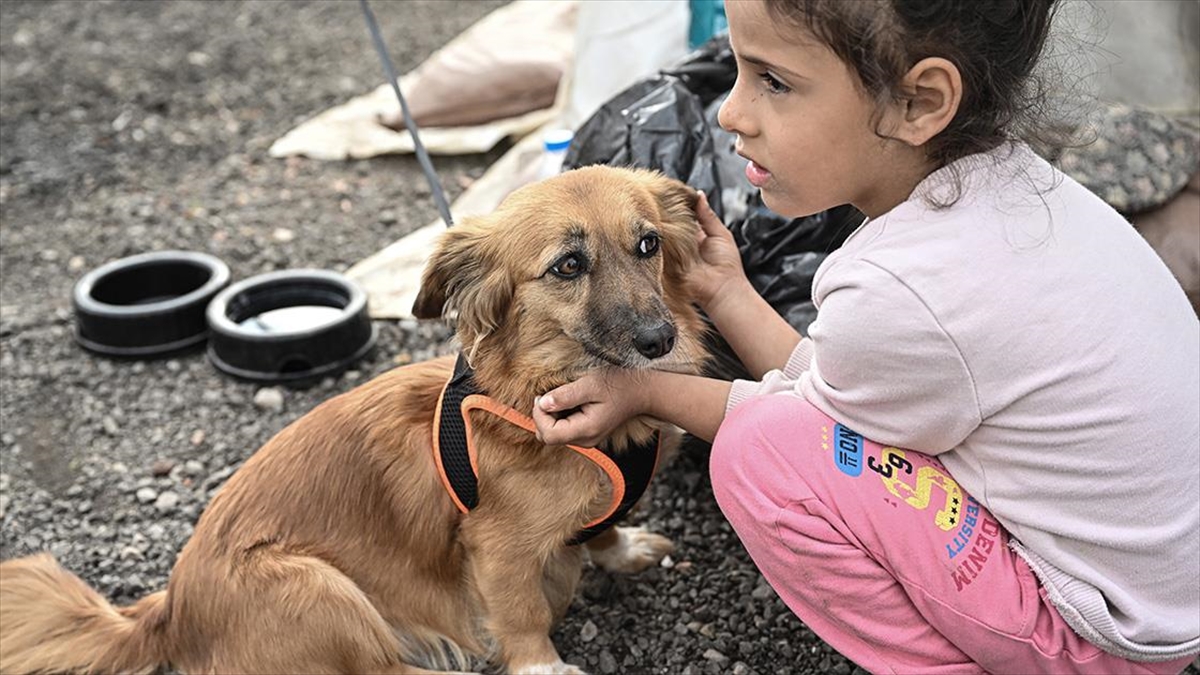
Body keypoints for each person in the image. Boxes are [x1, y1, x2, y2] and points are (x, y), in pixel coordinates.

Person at [530, 0, 1200, 673]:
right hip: (1163, 597)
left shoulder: (901, 285)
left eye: (774, 81)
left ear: (919, 102)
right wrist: (728, 292)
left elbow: (796, 432)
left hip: (1098, 638)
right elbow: (836, 399)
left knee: (757, 452)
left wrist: (647, 391)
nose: (730, 112)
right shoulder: (1019, 191)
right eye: (738, 71)